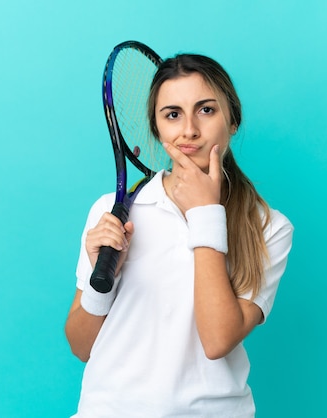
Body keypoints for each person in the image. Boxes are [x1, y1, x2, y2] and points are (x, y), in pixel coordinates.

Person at [65, 53, 293, 417]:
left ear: (232, 120)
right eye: (172, 114)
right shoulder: (112, 212)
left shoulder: (268, 227)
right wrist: (101, 281)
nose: (189, 130)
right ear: (156, 128)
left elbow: (218, 340)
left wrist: (205, 214)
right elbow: (80, 346)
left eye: (206, 110)